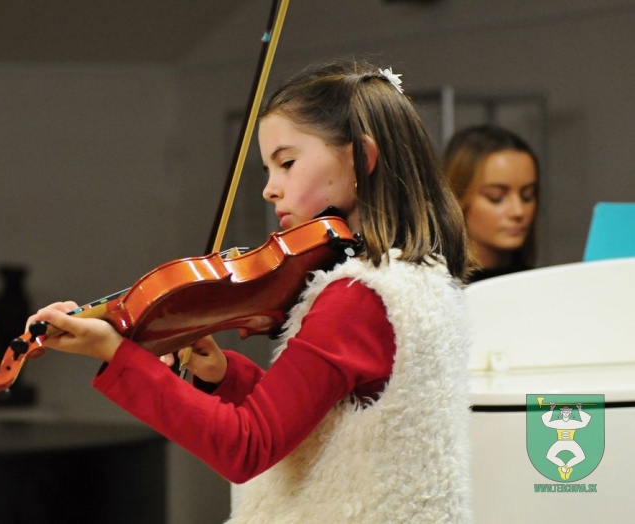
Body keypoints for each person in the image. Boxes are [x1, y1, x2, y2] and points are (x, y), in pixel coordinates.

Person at [28, 59, 473, 522]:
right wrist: (225, 377)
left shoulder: (357, 298)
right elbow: (324, 427)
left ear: (361, 156)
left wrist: (120, 356)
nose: (269, 189)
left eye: (286, 163)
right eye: (267, 168)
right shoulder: (417, 278)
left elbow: (248, 445)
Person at [443, 124, 540, 283]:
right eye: (496, 197)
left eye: (527, 196)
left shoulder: (537, 284)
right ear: (457, 199)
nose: (518, 211)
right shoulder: (437, 290)